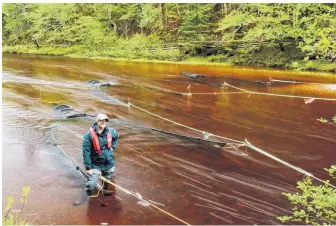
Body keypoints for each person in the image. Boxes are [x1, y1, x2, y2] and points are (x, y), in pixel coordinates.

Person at [82, 113, 119, 196]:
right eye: (101, 120)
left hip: (109, 162)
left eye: (105, 120)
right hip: (95, 163)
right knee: (91, 184)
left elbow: (116, 137)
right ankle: (88, 195)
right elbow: (85, 152)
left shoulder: (111, 131)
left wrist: (113, 146)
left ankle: (104, 190)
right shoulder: (88, 135)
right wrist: (88, 168)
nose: (104, 122)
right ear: (97, 121)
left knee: (107, 179)